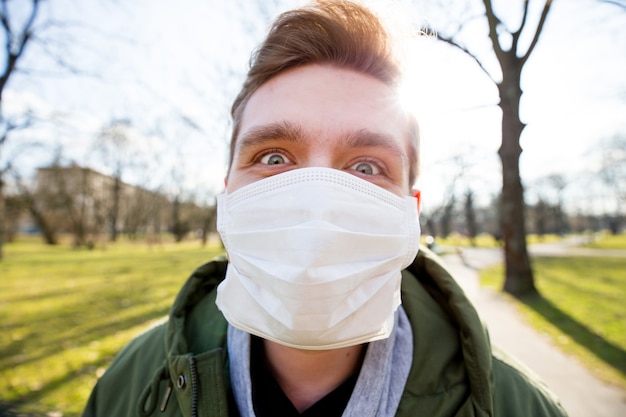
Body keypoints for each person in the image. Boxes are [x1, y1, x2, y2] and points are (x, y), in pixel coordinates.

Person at [82, 1, 568, 416]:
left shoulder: (518, 405)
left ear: (410, 213)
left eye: (366, 166)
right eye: (273, 157)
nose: (316, 203)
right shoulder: (132, 385)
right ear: (227, 195)